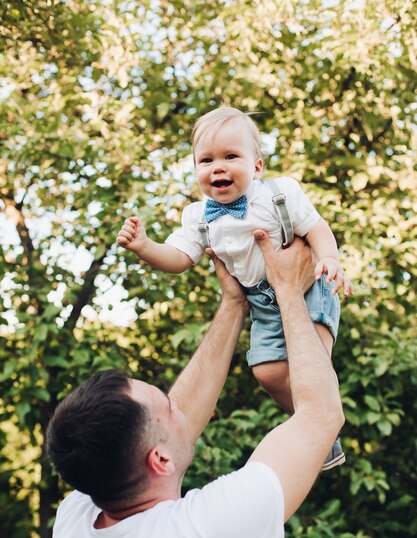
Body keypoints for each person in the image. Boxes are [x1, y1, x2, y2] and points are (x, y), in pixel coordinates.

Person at [47, 234, 345, 538]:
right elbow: (320, 416)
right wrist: (288, 290)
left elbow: (163, 429)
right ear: (160, 459)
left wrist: (234, 304)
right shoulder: (205, 534)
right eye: (167, 406)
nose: (177, 406)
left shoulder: (75, 526)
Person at [116, 106, 352, 470]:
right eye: (206, 160)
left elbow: (316, 227)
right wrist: (145, 247)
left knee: (311, 365)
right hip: (261, 301)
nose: (218, 167)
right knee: (267, 372)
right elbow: (179, 258)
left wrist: (330, 259)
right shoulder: (197, 217)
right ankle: (326, 432)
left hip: (307, 288)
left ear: (257, 167)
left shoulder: (279, 193)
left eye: (231, 156)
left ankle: (320, 422)